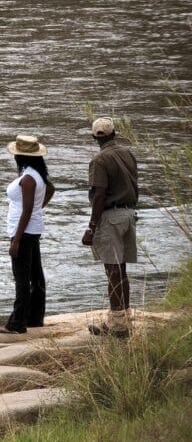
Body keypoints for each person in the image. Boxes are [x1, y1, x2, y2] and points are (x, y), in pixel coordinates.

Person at [82, 117, 139, 339]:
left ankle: (117, 328)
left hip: (111, 217)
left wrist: (91, 227)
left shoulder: (100, 160)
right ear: (114, 133)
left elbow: (99, 195)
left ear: (94, 138)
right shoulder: (128, 153)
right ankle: (122, 321)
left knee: (112, 272)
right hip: (128, 215)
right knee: (121, 271)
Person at [0, 135, 56, 334]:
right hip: (32, 230)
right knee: (35, 275)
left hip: (24, 232)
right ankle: (35, 318)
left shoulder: (29, 178)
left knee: (22, 278)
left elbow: (28, 210)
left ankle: (17, 324)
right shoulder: (35, 174)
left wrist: (17, 240)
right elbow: (51, 190)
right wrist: (40, 208)